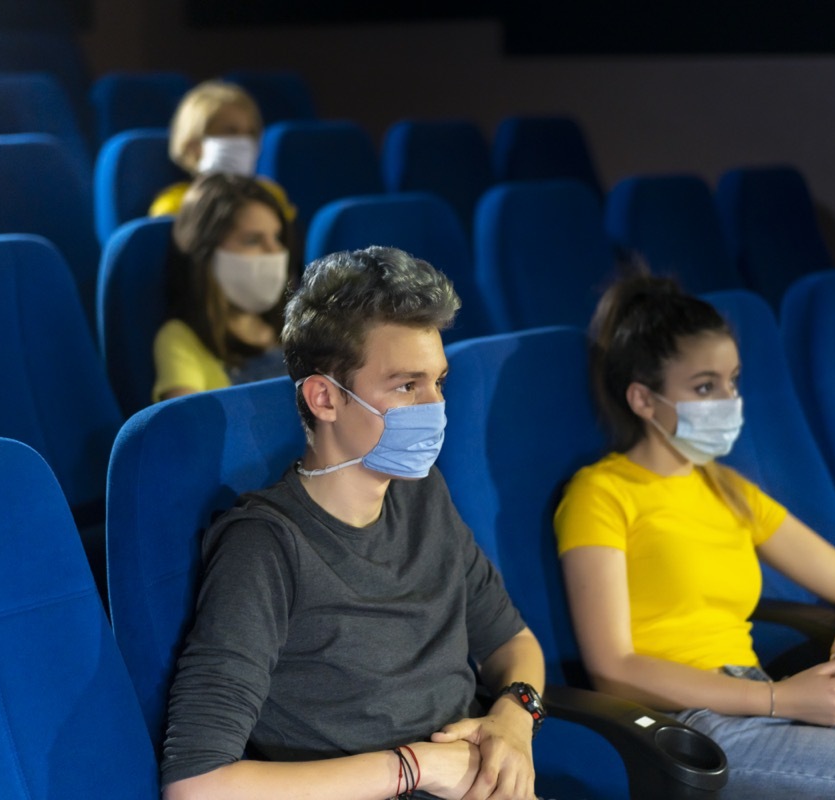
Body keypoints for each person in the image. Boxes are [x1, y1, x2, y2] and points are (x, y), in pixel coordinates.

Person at [554, 273, 835, 799]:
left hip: (777, 699)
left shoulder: (726, 487)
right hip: (704, 725)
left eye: (733, 380)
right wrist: (781, 702)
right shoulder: (601, 493)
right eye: (705, 386)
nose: (729, 399)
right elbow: (614, 668)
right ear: (643, 399)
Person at [161, 247, 546, 800]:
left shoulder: (425, 497)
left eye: (439, 381)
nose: (435, 407)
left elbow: (513, 641)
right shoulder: (265, 545)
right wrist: (419, 766)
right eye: (407, 386)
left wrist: (515, 715)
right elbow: (197, 785)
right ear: (324, 398)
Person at [152, 172, 295, 401]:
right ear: (206, 254)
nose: (276, 251)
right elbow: (188, 429)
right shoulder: (180, 339)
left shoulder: (296, 325)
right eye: (253, 240)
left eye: (277, 237)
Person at [149, 79, 294, 224]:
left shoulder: (272, 197)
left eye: (251, 133)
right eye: (230, 132)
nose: (244, 142)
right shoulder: (174, 205)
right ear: (193, 143)